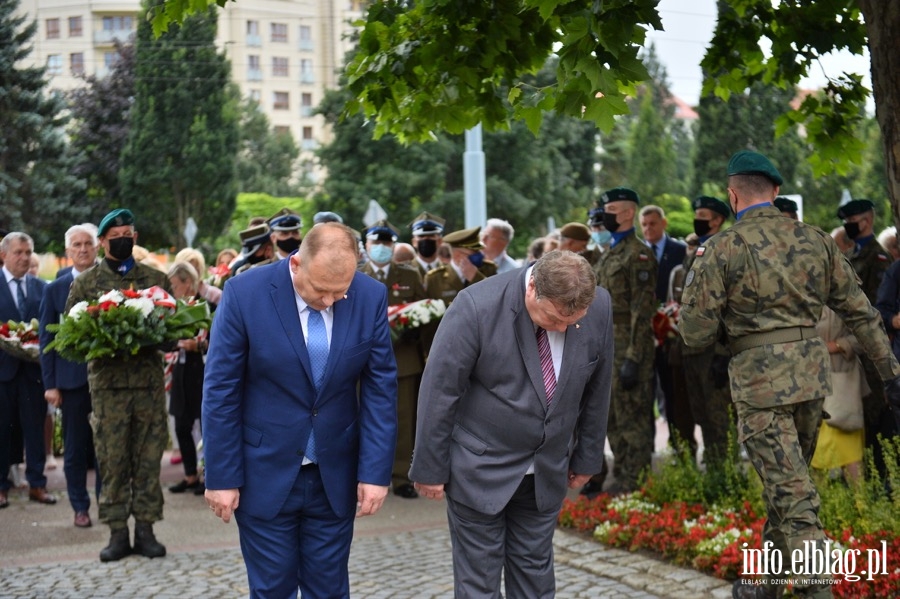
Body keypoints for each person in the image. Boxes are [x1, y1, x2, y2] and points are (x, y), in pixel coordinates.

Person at [680, 150, 900, 599]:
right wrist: (891, 374)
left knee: (795, 498)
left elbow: (695, 333)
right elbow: (862, 314)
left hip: (760, 386)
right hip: (811, 381)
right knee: (787, 485)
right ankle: (768, 584)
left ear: (732, 194)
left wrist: (728, 325)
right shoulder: (816, 240)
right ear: (777, 192)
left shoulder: (722, 247)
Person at [202, 222, 398, 598]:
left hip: (334, 476)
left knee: (329, 590)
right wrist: (221, 476)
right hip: (264, 472)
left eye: (340, 293)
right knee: (272, 589)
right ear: (295, 264)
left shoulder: (369, 296)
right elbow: (220, 391)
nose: (329, 302)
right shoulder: (245, 294)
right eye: (321, 290)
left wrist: (375, 472)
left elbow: (379, 390)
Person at [410, 250, 613, 598]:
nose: (563, 329)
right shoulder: (477, 305)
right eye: (552, 319)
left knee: (534, 575)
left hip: (547, 470)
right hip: (479, 468)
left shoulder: (599, 305)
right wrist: (429, 467)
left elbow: (598, 387)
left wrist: (588, 456)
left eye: (572, 321)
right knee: (480, 583)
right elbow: (440, 391)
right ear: (532, 288)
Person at [65, 208, 172, 562]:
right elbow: (70, 340)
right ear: (103, 242)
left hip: (148, 387)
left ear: (135, 237)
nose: (123, 239)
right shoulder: (84, 284)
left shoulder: (157, 280)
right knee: (112, 462)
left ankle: (145, 530)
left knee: (147, 460)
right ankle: (115, 532)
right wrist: (102, 337)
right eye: (116, 236)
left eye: (128, 233)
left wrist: (158, 334)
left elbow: (172, 333)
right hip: (108, 390)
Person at [584, 187, 657, 496]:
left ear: (628, 213)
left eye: (612, 209)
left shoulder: (638, 254)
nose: (606, 215)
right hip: (604, 346)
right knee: (611, 416)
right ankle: (621, 475)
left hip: (628, 345)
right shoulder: (609, 254)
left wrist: (634, 357)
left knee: (633, 417)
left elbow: (643, 312)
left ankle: (635, 481)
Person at [39, 224, 101, 527]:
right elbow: (45, 340)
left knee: (105, 445)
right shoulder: (55, 288)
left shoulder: (110, 282)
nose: (82, 249)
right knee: (76, 449)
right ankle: (80, 506)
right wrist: (50, 384)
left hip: (105, 378)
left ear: (97, 246)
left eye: (88, 243)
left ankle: (108, 502)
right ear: (68, 251)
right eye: (76, 245)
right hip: (71, 382)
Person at [359, 220, 426, 498]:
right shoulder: (355, 275)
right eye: (377, 243)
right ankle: (366, 474)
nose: (382, 248)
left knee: (403, 421)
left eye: (387, 243)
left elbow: (425, 311)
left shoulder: (409, 275)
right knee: (363, 417)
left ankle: (401, 476)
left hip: (404, 359)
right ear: (367, 246)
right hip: (362, 362)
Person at [0, 232, 53, 509]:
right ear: (4, 255)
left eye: (28, 252)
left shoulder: (41, 287)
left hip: (33, 373)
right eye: (18, 252)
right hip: (2, 374)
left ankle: (37, 484)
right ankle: (1, 487)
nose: (24, 257)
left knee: (35, 430)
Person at [680, 196, 734, 468]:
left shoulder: (725, 250)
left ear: (717, 220)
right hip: (694, 349)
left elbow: (730, 305)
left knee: (720, 417)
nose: (697, 219)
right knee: (702, 414)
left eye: (702, 214)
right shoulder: (698, 252)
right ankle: (714, 470)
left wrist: (724, 353)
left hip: (715, 350)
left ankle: (725, 474)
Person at [639, 205, 692, 457]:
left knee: (673, 395)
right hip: (642, 337)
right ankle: (646, 451)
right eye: (644, 224)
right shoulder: (637, 252)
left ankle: (679, 447)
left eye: (653, 223)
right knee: (643, 395)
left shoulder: (680, 252)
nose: (648, 228)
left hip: (671, 337)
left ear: (664, 223)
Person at [166, 262, 208, 496]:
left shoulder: (208, 304)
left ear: (187, 283)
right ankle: (190, 474)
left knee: (205, 428)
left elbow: (218, 339)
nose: (172, 290)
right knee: (181, 425)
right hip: (181, 371)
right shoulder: (173, 308)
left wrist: (199, 344)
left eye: (174, 285)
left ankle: (208, 475)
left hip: (202, 372)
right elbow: (166, 338)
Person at [424, 226, 498, 306]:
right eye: (474, 252)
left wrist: (476, 277)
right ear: (458, 256)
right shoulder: (434, 278)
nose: (480, 255)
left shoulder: (489, 269)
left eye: (479, 251)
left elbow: (497, 299)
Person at [409, 211, 445, 278]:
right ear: (414, 242)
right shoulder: (404, 272)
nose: (426, 239)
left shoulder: (449, 271)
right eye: (421, 236)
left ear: (440, 241)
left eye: (431, 236)